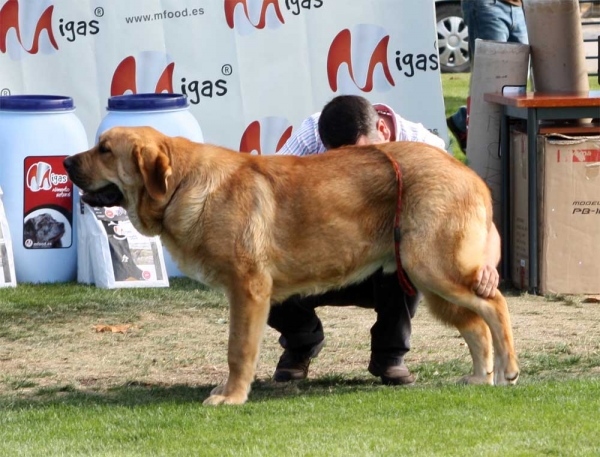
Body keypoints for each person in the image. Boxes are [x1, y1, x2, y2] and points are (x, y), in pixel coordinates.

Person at [269, 95, 500, 385]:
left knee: (411, 255)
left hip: (385, 269)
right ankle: (301, 343)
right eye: (336, 160)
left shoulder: (424, 147)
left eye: (359, 155)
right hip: (323, 259)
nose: (350, 168)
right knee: (260, 274)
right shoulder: (307, 139)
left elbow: (479, 217)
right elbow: (271, 202)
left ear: (383, 129)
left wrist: (488, 264)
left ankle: (390, 356)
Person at [446, 0, 528, 153]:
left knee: (518, 82)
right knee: (491, 80)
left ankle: (465, 120)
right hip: (487, 5)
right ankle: (483, 142)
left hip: (518, 6)